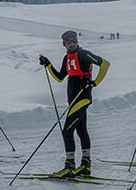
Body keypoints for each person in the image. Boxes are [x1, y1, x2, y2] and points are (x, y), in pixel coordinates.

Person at [39, 30, 110, 179]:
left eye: (73, 41)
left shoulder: (84, 54)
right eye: (68, 42)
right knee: (81, 130)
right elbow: (59, 77)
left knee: (67, 131)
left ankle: (69, 166)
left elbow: (105, 64)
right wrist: (49, 64)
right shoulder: (67, 57)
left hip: (82, 98)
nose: (71, 44)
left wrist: (95, 82)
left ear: (77, 41)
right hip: (73, 99)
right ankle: (85, 165)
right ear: (63, 44)